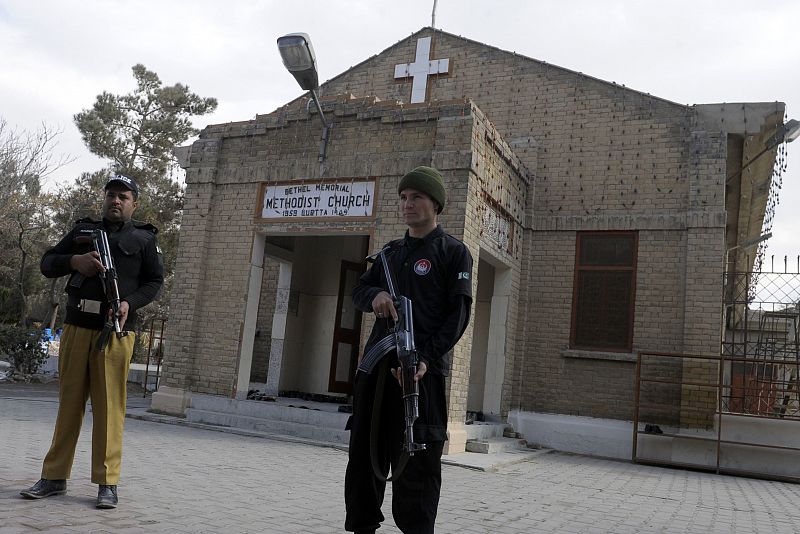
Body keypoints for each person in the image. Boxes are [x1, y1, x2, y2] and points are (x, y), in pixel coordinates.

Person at [20, 174, 163, 509]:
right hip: (76, 327)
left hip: (115, 331)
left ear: (134, 203)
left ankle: (107, 482)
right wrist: (75, 261)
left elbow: (155, 281)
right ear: (104, 199)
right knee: (69, 405)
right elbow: (46, 262)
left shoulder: (143, 239)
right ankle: (54, 477)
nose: (116, 201)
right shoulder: (83, 232)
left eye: (123, 197)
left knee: (110, 408)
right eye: (111, 195)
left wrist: (130, 302)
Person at [345, 166, 473, 534]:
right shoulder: (389, 254)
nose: (408, 204)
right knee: (366, 451)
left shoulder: (453, 253)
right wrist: (376, 296)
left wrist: (426, 359)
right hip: (378, 370)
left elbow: (458, 315)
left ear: (436, 203)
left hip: (422, 373)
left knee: (419, 456)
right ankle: (362, 525)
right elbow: (359, 292)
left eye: (416, 197)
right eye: (403, 197)